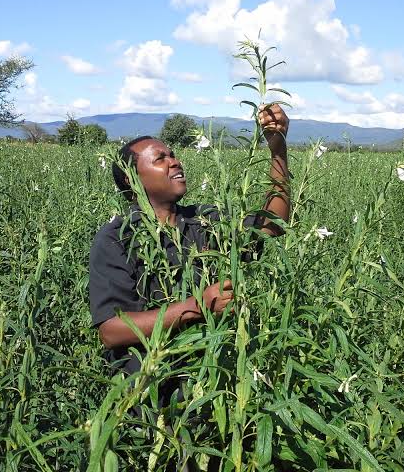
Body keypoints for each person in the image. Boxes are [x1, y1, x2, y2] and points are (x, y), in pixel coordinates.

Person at [89, 104, 290, 379]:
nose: (175, 161)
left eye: (173, 155)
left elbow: (272, 225)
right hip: (152, 394)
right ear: (131, 177)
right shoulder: (117, 237)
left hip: (214, 381)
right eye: (161, 159)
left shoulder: (205, 220)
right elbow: (111, 330)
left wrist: (277, 149)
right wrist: (197, 307)